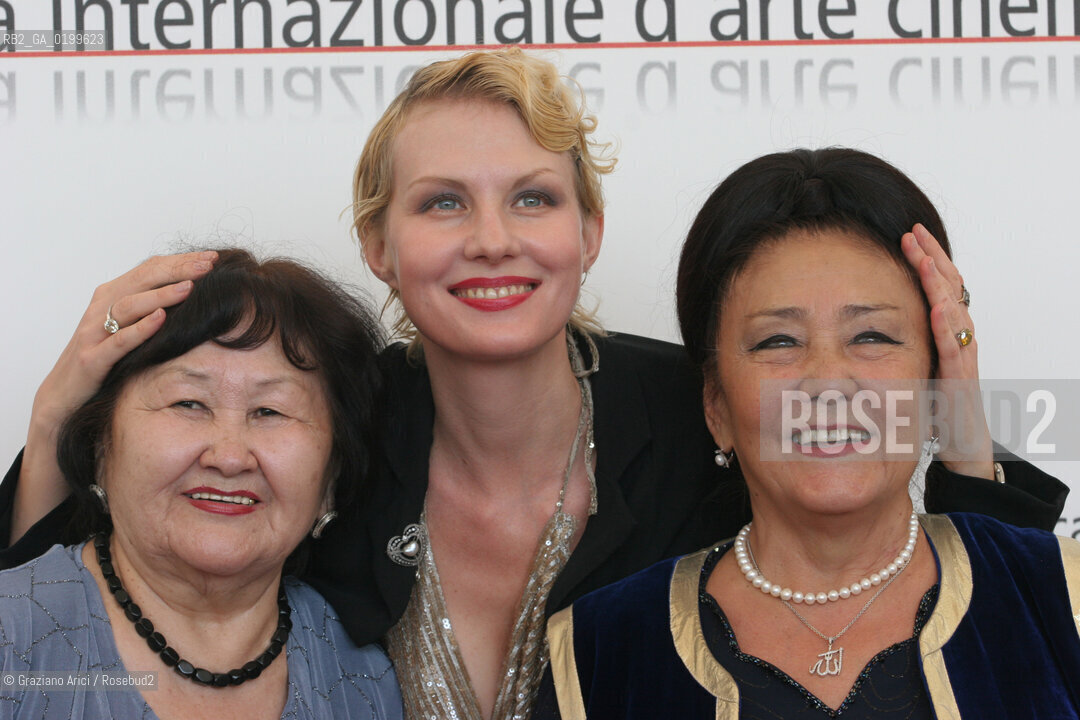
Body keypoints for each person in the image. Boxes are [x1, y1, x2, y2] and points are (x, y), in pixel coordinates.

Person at [0, 52, 1067, 720]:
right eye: (442, 205)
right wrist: (58, 413)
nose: (493, 241)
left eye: (533, 198)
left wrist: (954, 415)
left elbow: (934, 590)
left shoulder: (696, 401)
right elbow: (80, 605)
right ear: (377, 242)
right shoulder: (325, 419)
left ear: (589, 230)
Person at [544, 148, 1080, 719]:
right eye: (778, 341)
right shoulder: (596, 653)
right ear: (715, 404)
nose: (828, 383)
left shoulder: (1063, 597)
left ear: (936, 386)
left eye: (872, 336)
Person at [0, 249, 403, 719]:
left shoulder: (369, 683)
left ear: (333, 475)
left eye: (270, 411)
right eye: (189, 403)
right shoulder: (15, 646)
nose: (229, 457)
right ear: (101, 447)